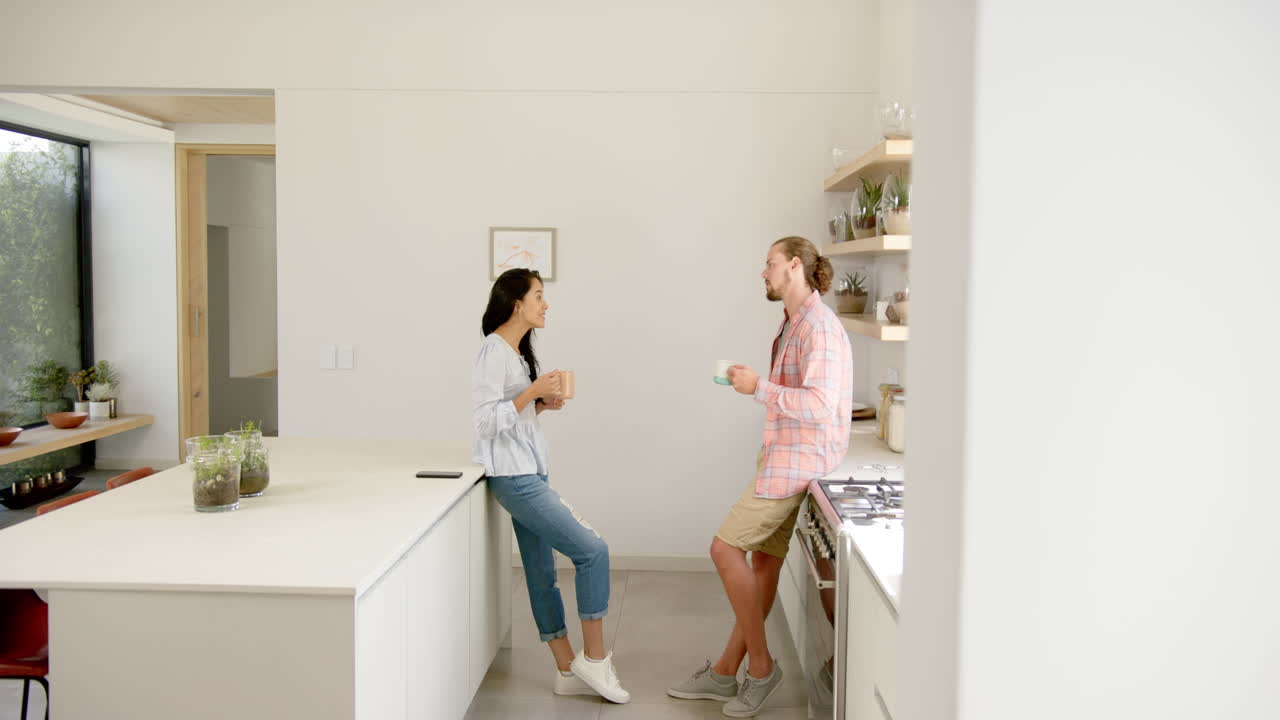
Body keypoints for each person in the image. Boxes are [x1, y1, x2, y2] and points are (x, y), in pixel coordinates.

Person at [668, 236, 853, 717]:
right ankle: (728, 671)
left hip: (800, 462)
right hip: (782, 455)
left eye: (769, 264)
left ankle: (762, 668)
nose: (763, 272)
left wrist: (759, 388)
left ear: (794, 266)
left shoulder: (821, 329)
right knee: (764, 568)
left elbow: (818, 405)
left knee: (724, 548)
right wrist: (759, 386)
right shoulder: (793, 324)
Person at [472, 268, 630, 704]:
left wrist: (539, 404)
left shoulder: (517, 353)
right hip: (514, 479)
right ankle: (595, 660)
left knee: (541, 574)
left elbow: (510, 419)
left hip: (528, 472)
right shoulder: (493, 352)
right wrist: (530, 394)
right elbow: (484, 422)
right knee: (592, 551)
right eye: (539, 296)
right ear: (516, 302)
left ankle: (566, 669)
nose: (546, 304)